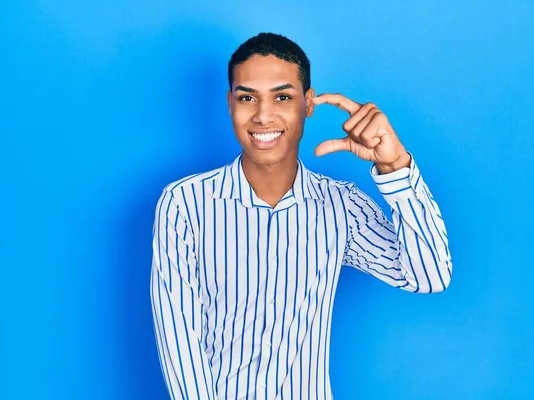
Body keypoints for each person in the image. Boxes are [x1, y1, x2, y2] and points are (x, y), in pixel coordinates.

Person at [150, 32, 452, 400]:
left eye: (282, 97)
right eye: (247, 97)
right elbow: (179, 337)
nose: (263, 116)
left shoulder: (342, 206)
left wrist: (395, 166)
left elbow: (430, 276)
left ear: (308, 104)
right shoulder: (185, 203)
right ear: (230, 103)